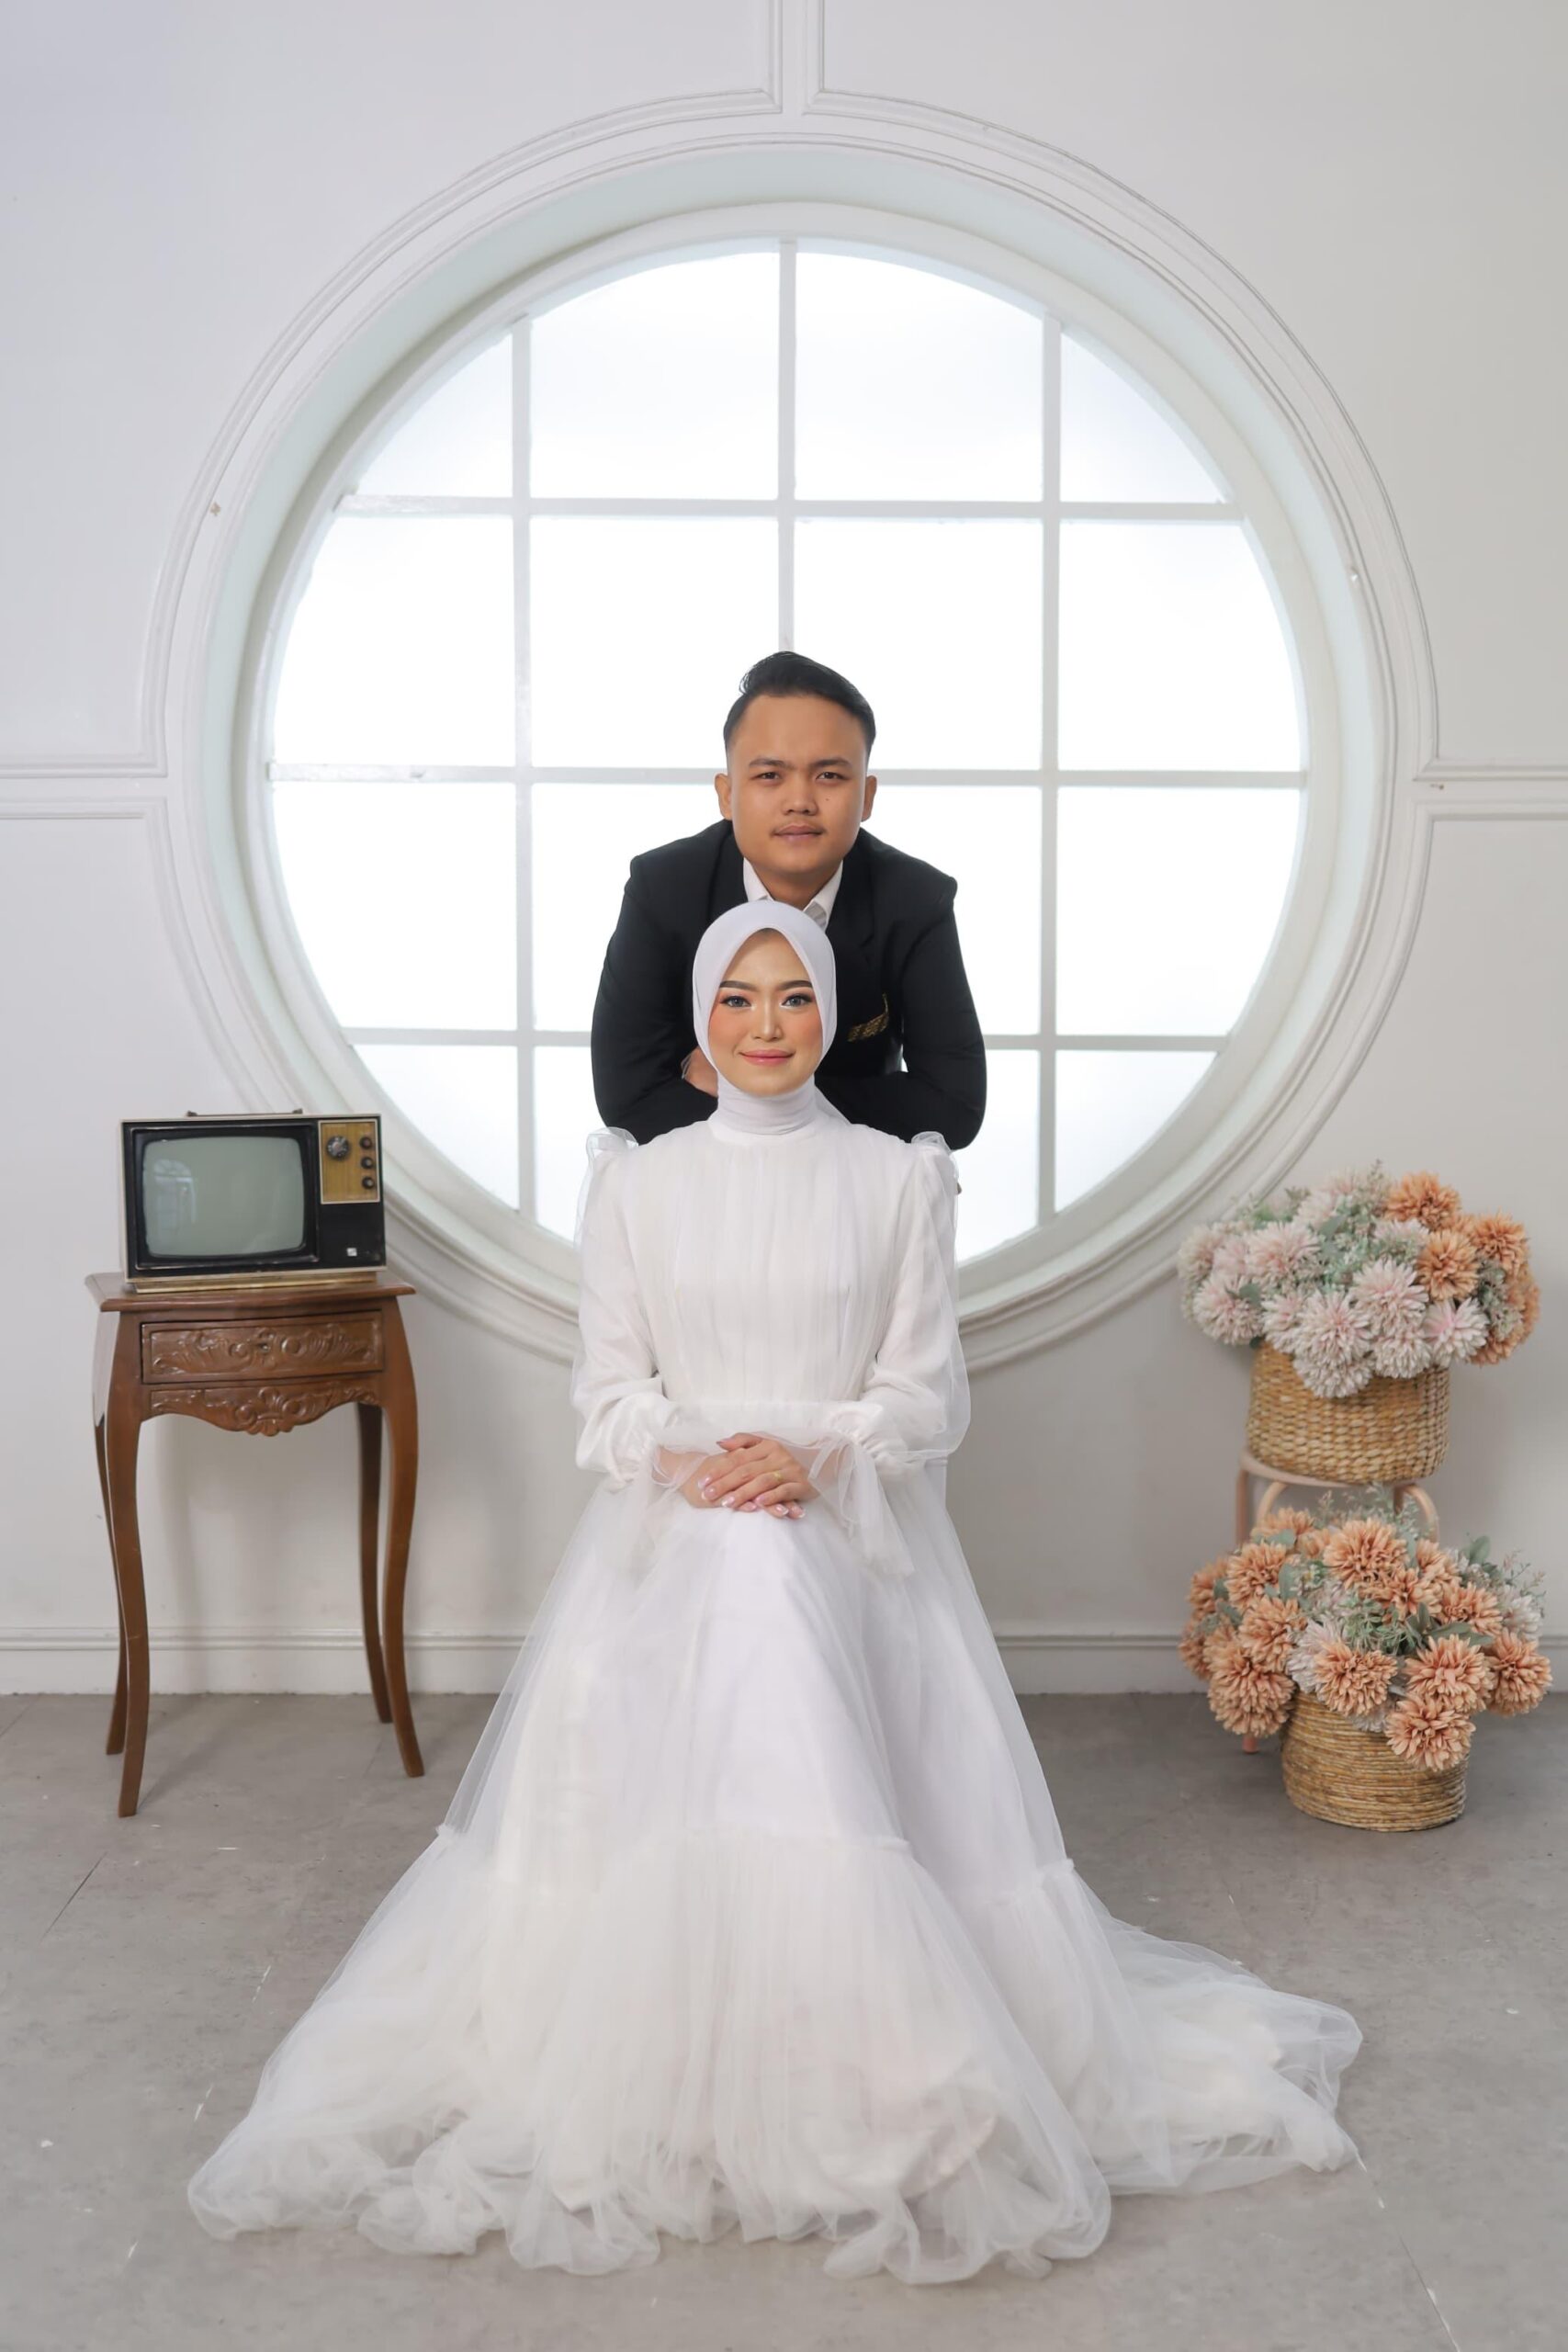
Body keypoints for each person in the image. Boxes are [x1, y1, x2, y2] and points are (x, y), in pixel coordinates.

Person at [187, 901, 1361, 2288]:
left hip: (847, 1515)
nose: (764, 1024)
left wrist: (819, 1455)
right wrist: (694, 1464)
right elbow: (607, 1392)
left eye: (792, 996)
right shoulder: (638, 1182)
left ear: (832, 1013)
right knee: (746, 1578)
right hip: (678, 1514)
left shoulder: (896, 1177)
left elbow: (922, 1391)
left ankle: (862, 2053)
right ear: (699, 1020)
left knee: (779, 1584)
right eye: (736, 999)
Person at [590, 649, 987, 1150]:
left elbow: (954, 1106)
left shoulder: (916, 900)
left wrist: (758, 1092)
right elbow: (630, 1098)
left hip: (854, 1177)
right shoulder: (663, 888)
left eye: (829, 776)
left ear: (867, 796)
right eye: (770, 776)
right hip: (707, 1174)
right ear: (727, 794)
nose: (799, 801)